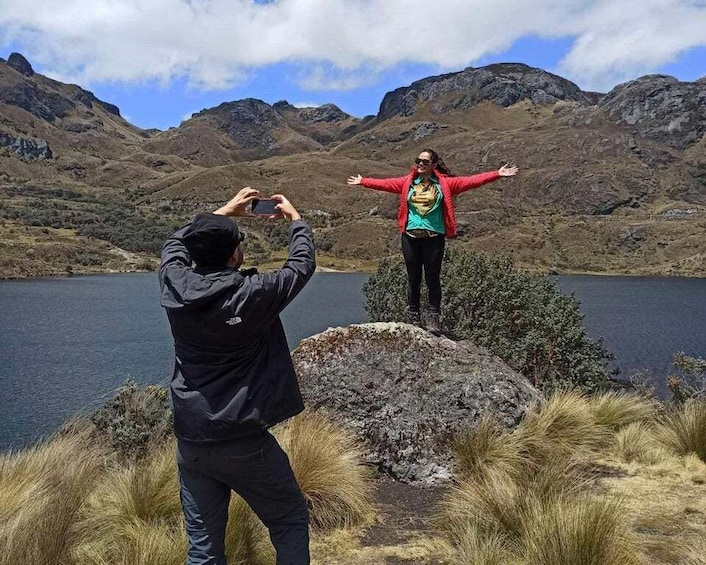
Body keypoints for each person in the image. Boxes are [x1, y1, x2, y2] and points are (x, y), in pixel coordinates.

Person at [159, 187, 315, 565]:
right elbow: (301, 265)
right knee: (289, 519)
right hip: (244, 440)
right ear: (235, 254)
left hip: (193, 440)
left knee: (204, 549)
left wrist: (223, 212)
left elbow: (173, 245)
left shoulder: (175, 285)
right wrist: (296, 221)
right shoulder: (254, 293)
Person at [347, 148, 518, 334]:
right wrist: (363, 181)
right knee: (413, 278)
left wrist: (497, 174)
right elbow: (386, 184)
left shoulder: (444, 184)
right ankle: (413, 315)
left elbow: (471, 181)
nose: (420, 164)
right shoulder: (408, 182)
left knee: (432, 278)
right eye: (418, 161)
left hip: (434, 238)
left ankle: (434, 317)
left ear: (434, 165)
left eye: (425, 162)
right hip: (410, 237)